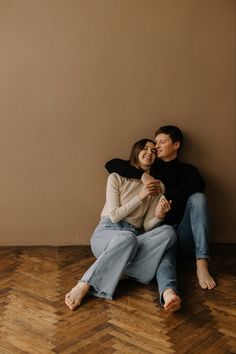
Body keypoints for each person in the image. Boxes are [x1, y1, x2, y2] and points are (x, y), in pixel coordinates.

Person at [65, 139, 181, 312]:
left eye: (153, 150)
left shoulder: (157, 186)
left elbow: (148, 226)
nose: (149, 152)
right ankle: (84, 284)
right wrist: (141, 196)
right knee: (127, 237)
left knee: (169, 232)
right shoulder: (116, 177)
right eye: (145, 148)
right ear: (136, 151)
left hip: (133, 238)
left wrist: (159, 215)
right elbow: (114, 216)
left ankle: (119, 267)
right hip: (107, 233)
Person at [105, 125, 216, 297]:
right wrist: (143, 175)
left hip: (185, 235)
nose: (156, 147)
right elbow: (112, 164)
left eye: (162, 141)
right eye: (155, 142)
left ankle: (201, 264)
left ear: (176, 145)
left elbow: (199, 185)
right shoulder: (151, 168)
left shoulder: (187, 170)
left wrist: (166, 196)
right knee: (164, 259)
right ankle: (168, 292)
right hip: (160, 233)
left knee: (198, 198)